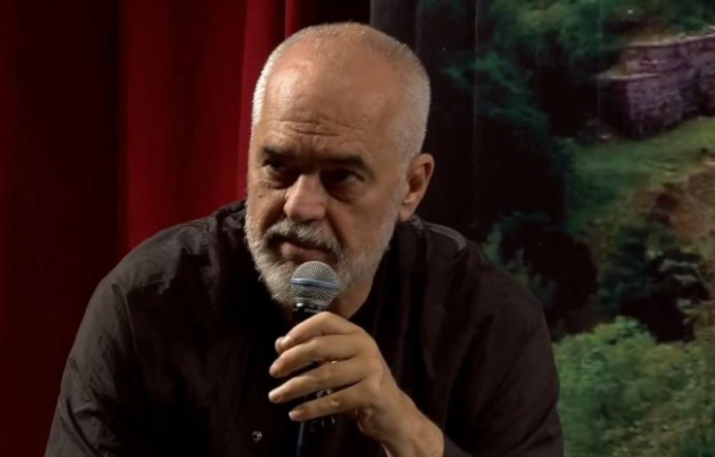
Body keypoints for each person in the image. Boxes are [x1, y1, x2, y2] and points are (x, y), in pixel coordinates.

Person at [45, 22, 563, 457]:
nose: (300, 205)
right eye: (278, 167)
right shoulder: (148, 302)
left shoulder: (488, 321)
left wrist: (404, 429)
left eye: (341, 177)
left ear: (411, 187)